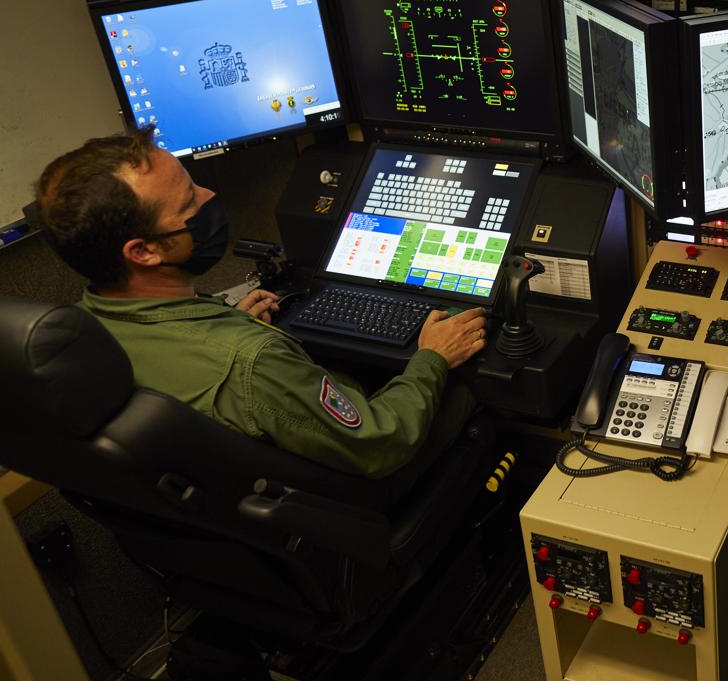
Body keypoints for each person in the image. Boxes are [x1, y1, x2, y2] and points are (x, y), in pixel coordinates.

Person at [34, 127, 486, 479]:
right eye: (190, 201)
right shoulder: (253, 363)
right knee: (475, 392)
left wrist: (227, 323)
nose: (211, 197)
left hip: (217, 522)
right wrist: (431, 358)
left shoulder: (82, 333)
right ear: (144, 251)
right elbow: (382, 442)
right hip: (354, 494)